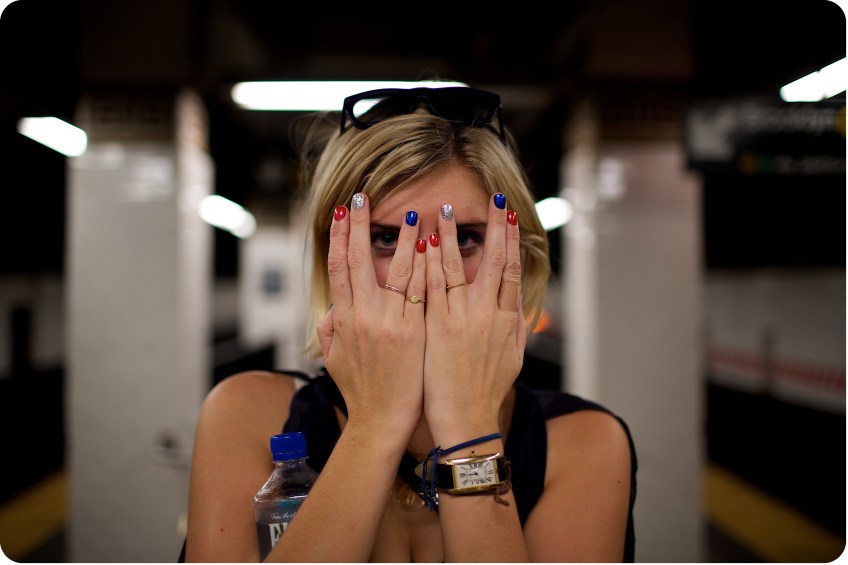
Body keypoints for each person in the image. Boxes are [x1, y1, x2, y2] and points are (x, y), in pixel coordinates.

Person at [183, 84, 637, 562]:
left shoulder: (585, 444)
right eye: (386, 239)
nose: (427, 272)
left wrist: (467, 421)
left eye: (465, 237)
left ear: (516, 256)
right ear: (334, 256)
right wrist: (376, 421)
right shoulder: (246, 414)